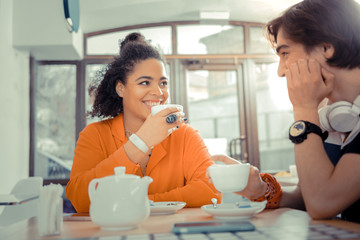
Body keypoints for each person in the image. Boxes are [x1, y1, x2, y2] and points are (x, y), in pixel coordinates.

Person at [212, 0, 360, 223]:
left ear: (326, 48)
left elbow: (322, 203)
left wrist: (304, 108)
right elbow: (308, 194)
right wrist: (262, 189)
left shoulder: (312, 109)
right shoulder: (335, 115)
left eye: (285, 53)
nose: (281, 71)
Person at [66, 32, 221, 213]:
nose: (158, 92)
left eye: (163, 83)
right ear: (121, 88)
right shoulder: (95, 135)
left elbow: (211, 192)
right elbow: (81, 199)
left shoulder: (185, 135)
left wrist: (140, 202)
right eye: (145, 82)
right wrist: (141, 142)